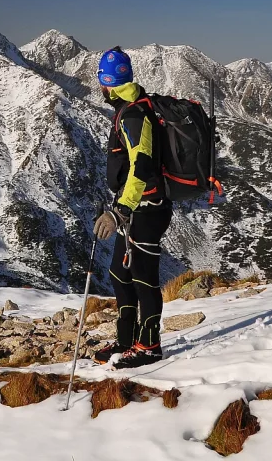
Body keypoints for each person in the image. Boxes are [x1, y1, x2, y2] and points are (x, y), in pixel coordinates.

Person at [91, 47, 173, 369]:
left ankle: (149, 345)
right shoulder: (128, 108)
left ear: (106, 83)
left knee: (143, 277)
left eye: (101, 80)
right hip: (134, 207)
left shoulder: (135, 114)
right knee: (119, 274)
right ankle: (126, 340)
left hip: (147, 209)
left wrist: (120, 209)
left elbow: (142, 164)